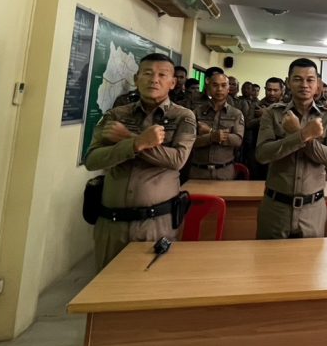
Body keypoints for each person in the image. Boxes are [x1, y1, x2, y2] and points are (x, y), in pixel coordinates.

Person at [84, 53, 196, 271]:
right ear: (136, 79)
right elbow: (92, 159)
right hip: (112, 222)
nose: (154, 80)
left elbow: (177, 160)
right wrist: (136, 144)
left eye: (162, 75)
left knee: (153, 281)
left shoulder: (182, 116)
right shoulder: (116, 115)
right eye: (147, 73)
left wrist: (128, 138)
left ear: (173, 83)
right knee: (108, 282)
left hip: (157, 222)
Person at [255, 58, 327, 238]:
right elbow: (262, 154)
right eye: (297, 79)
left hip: (313, 209)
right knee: (269, 255)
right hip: (276, 208)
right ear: (288, 82)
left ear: (318, 84)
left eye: (310, 80)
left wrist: (298, 134)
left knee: (311, 257)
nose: (304, 85)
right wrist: (303, 135)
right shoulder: (273, 113)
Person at [188, 72, 244, 180]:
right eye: (215, 85)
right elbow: (189, 141)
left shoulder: (236, 114)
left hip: (224, 170)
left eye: (223, 85)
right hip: (198, 171)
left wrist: (210, 132)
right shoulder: (196, 112)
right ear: (208, 87)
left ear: (228, 88)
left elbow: (237, 140)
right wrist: (211, 137)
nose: (219, 89)